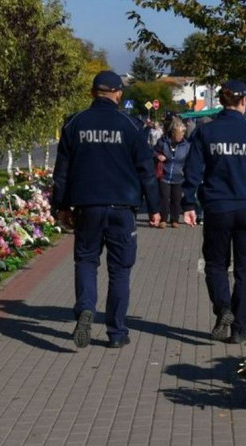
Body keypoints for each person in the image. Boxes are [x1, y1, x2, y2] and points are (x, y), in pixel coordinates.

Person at [52, 70, 162, 349]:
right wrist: (156, 208)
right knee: (120, 270)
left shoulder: (74, 124)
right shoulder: (132, 125)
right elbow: (146, 171)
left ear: (92, 92)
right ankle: (116, 332)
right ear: (118, 94)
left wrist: (61, 206)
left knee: (87, 261)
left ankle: (86, 308)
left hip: (87, 206)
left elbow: (61, 172)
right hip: (122, 208)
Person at [182, 79, 246, 344]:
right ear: (244, 102)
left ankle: (223, 307)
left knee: (215, 264)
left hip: (217, 207)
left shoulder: (206, 132)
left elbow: (192, 170)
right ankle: (240, 328)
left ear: (221, 101)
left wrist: (188, 203)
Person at [154, 119, 190, 228]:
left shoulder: (186, 145)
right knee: (164, 198)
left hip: (178, 176)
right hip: (164, 175)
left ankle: (174, 220)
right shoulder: (163, 142)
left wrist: (186, 172)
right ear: (174, 133)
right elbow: (153, 151)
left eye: (183, 133)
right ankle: (163, 219)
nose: (182, 135)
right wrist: (158, 156)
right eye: (180, 133)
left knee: (176, 199)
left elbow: (189, 160)